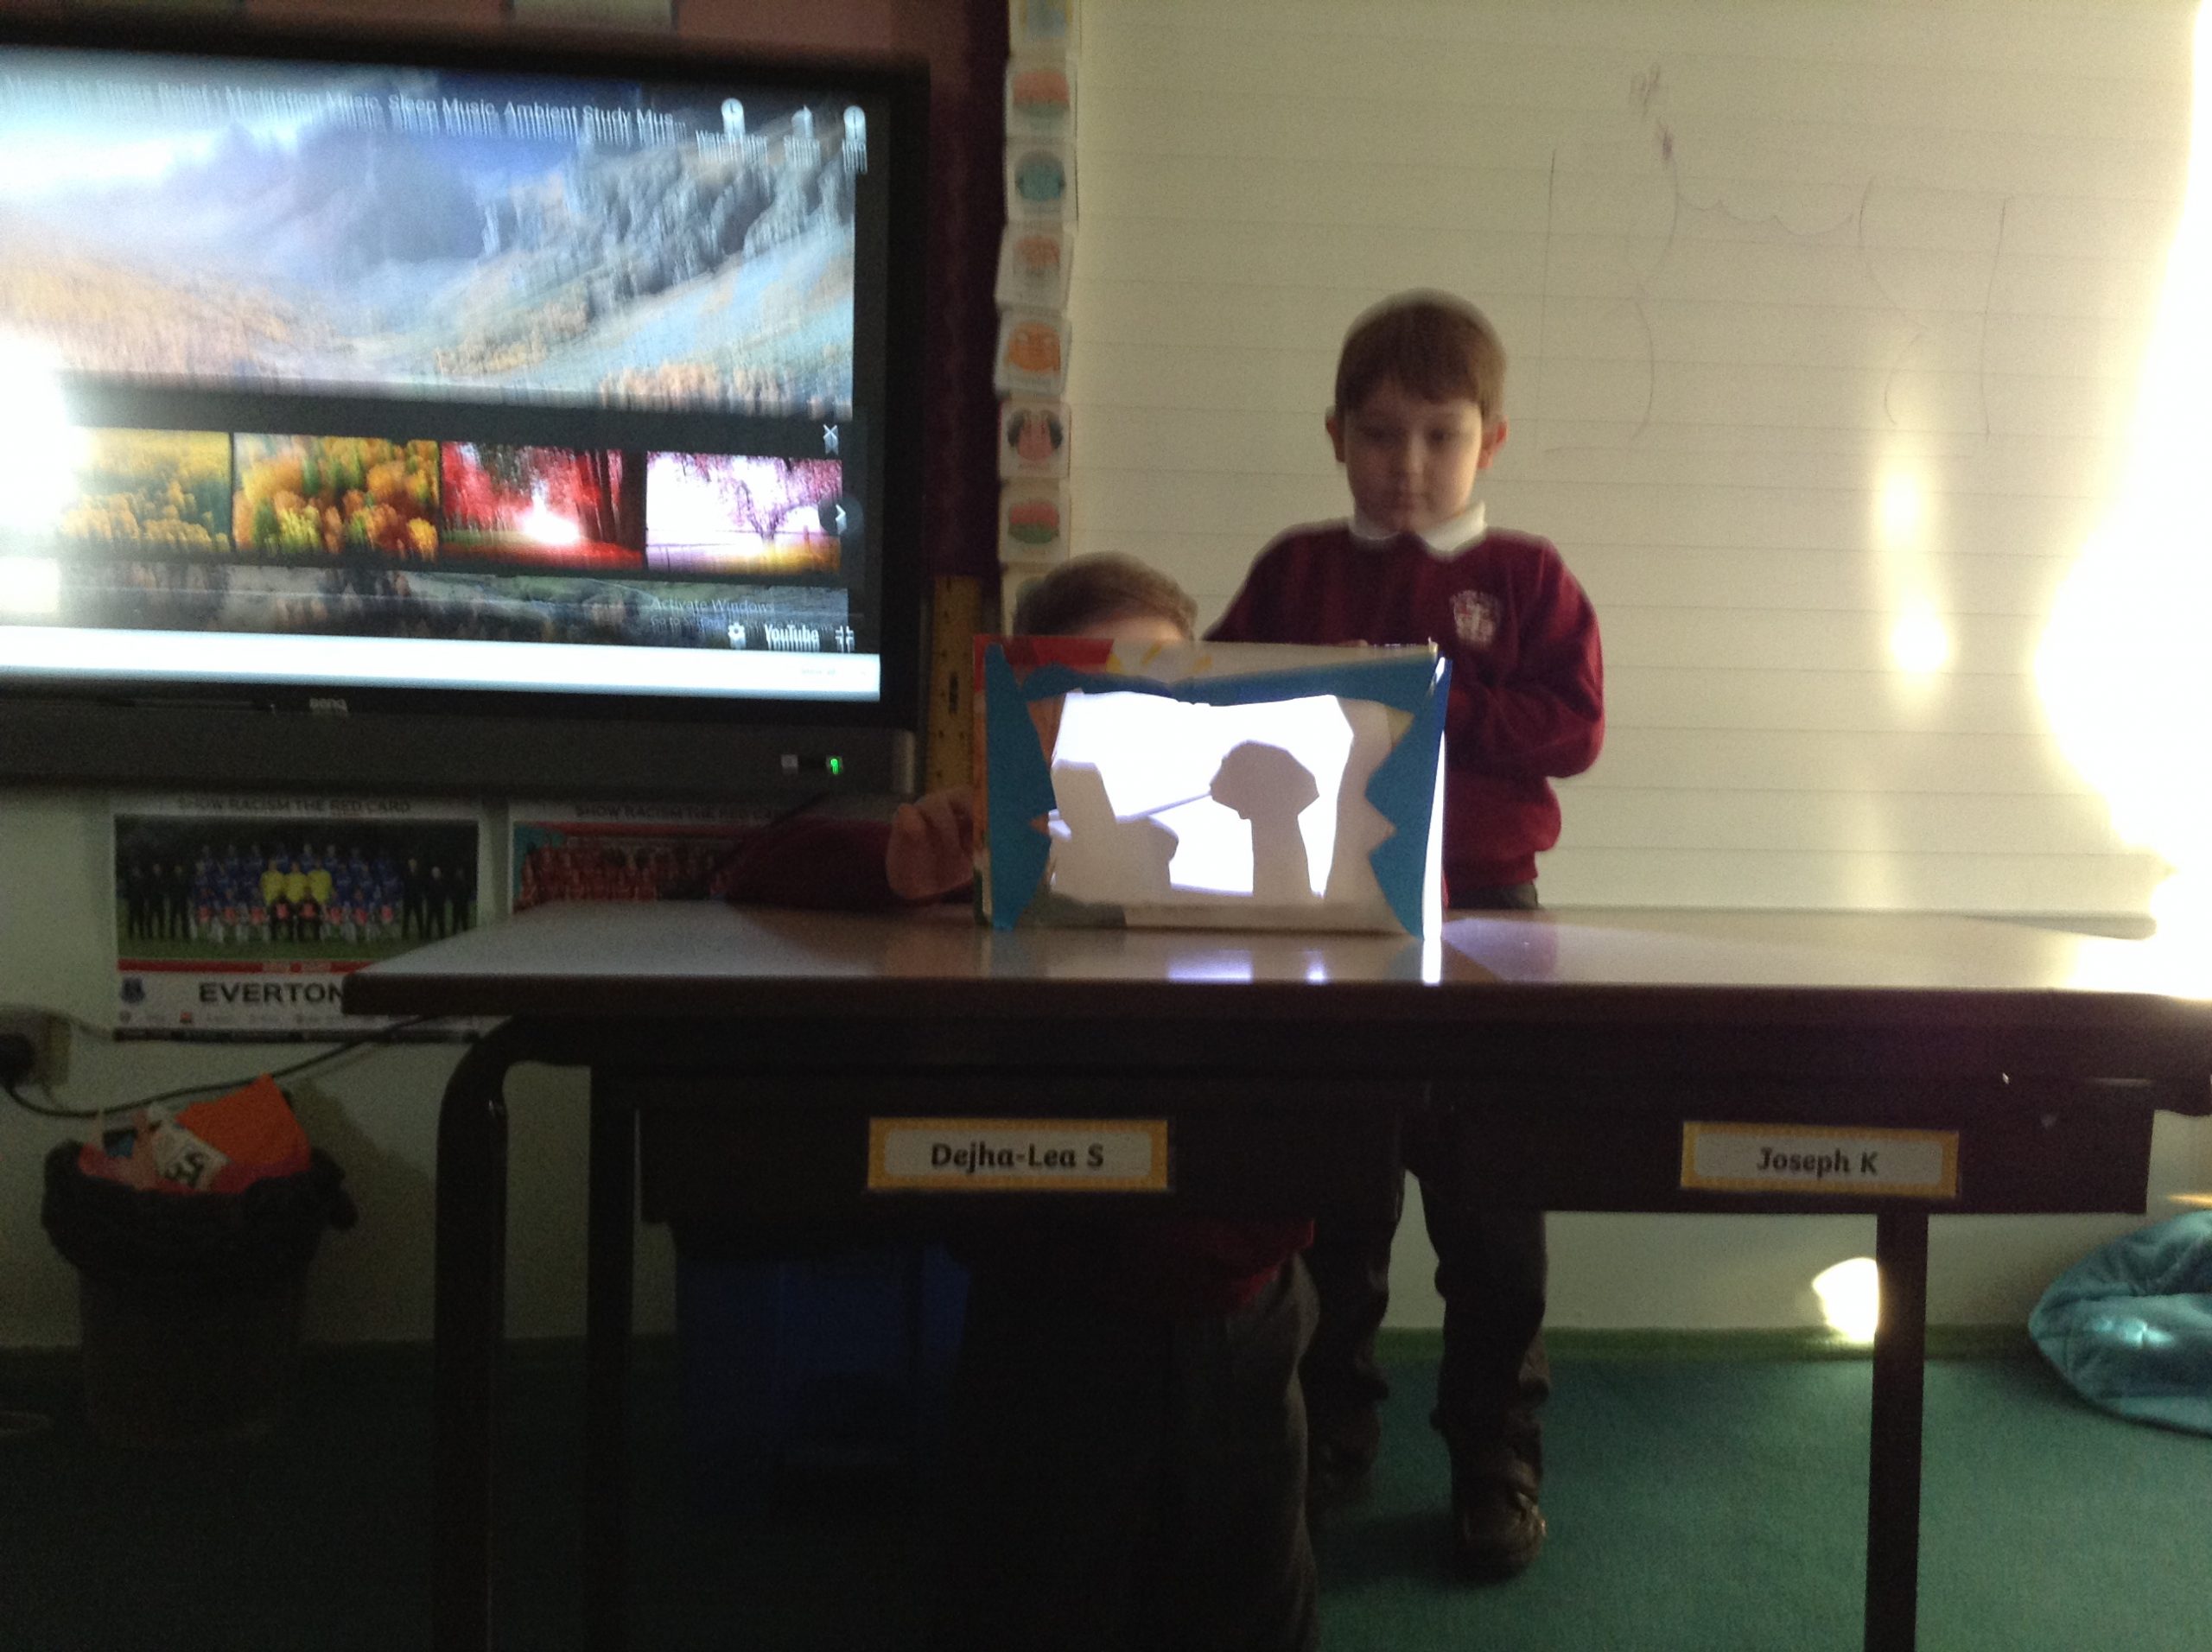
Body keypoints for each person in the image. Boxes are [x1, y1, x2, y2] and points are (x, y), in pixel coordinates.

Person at [714, 554, 1322, 1652]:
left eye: (1165, 684)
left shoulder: (1248, 854)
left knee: (1243, 1593)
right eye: (1099, 690)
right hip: (1053, 1299)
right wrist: (904, 868)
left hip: (1238, 1296)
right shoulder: (999, 863)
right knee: (1030, 1589)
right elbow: (764, 867)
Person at [1209, 290, 1605, 1579]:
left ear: (1492, 440)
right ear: (1336, 436)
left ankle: (1495, 1454)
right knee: (1339, 1201)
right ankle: (1329, 1437)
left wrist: (1427, 696)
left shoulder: (1527, 578)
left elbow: (1575, 729)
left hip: (1493, 917)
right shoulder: (1294, 569)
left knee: (1494, 1216)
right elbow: (1213, 699)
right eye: (1380, 435)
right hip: (1330, 918)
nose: (1410, 464)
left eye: (1441, 435)